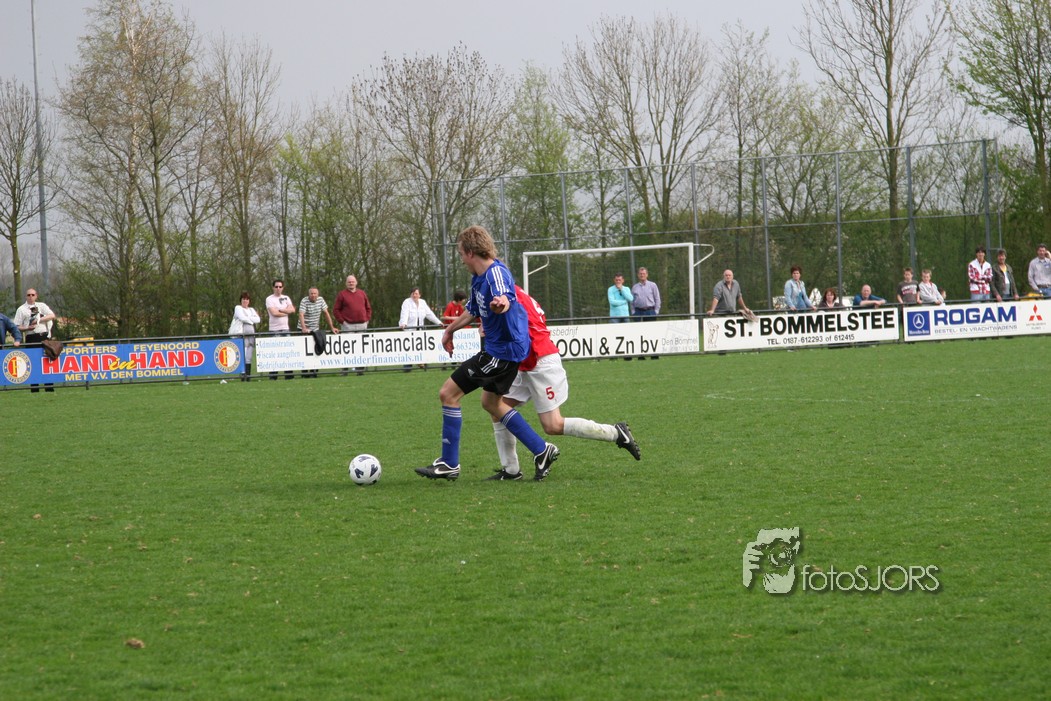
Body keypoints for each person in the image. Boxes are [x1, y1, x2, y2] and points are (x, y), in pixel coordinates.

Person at [415, 225, 559, 482]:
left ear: (471, 252)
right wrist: (449, 331)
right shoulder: (479, 279)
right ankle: (541, 449)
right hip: (504, 352)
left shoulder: (496, 274)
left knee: (448, 394)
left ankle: (449, 463)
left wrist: (501, 303)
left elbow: (505, 296)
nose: (461, 259)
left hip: (501, 354)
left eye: (461, 253)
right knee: (491, 403)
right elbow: (472, 310)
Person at [487, 285, 640, 480]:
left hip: (540, 360)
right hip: (524, 361)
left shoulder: (505, 293)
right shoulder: (510, 290)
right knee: (497, 407)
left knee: (553, 425)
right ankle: (511, 470)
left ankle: (616, 433)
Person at [14, 289, 57, 392]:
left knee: (46, 361)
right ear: (26, 296)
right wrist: (27, 327)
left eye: (32, 295)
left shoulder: (42, 306)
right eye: (28, 295)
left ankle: (49, 387)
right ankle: (34, 388)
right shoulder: (21, 309)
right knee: (33, 362)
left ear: (36, 296)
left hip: (44, 336)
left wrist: (38, 320)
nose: (30, 297)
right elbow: (16, 326)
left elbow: (52, 315)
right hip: (31, 337)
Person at [333, 274, 372, 375]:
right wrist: (342, 322)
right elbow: (336, 310)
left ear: (356, 282)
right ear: (346, 283)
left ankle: (360, 370)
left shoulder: (362, 293)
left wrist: (367, 320)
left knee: (361, 348)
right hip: (348, 326)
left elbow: (368, 308)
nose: (351, 283)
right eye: (349, 282)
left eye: (352, 281)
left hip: (362, 325)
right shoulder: (342, 294)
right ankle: (344, 370)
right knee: (346, 349)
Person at [298, 286, 338, 378]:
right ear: (309, 294)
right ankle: (304, 373)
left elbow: (326, 313)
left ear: (318, 294)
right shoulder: (304, 300)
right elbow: (301, 314)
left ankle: (314, 372)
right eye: (311, 293)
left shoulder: (321, 300)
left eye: (315, 293)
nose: (313, 295)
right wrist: (304, 328)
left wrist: (332, 327)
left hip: (315, 329)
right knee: (304, 351)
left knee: (315, 349)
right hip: (304, 329)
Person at [266, 279, 296, 380]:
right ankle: (273, 376)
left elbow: (293, 310)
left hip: (285, 329)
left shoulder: (286, 298)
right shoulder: (269, 299)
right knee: (275, 354)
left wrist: (281, 310)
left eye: (280, 287)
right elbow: (274, 313)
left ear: (283, 288)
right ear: (273, 287)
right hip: (274, 330)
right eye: (276, 287)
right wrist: (286, 312)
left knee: (288, 353)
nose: (278, 288)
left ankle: (289, 375)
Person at [228, 291, 260, 381]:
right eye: (243, 299)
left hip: (251, 335)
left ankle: (248, 376)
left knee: (249, 356)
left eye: (247, 299)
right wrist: (251, 321)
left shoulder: (251, 310)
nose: (245, 301)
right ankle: (243, 375)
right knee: (243, 355)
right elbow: (242, 317)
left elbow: (258, 319)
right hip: (242, 335)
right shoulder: (238, 308)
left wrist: (248, 318)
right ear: (241, 300)